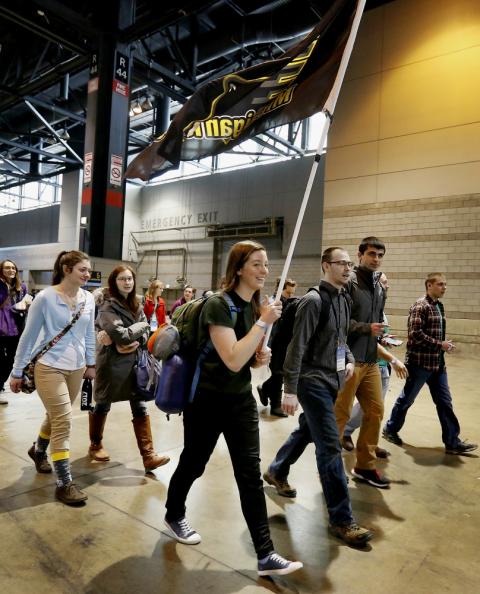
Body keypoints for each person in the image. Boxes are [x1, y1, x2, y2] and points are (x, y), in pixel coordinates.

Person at [164, 240, 303, 577]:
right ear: (238, 268)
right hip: (207, 401)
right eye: (256, 264)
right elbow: (231, 358)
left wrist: (261, 357)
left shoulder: (255, 307)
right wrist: (262, 325)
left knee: (249, 477)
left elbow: (247, 364)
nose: (264, 271)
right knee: (194, 463)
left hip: (240, 401)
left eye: (267, 264)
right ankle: (174, 513)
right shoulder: (218, 305)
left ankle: (265, 554)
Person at [264, 247, 372, 547]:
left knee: (308, 430)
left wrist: (349, 358)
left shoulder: (344, 299)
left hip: (332, 379)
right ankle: (342, 520)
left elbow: (340, 338)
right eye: (341, 263)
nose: (348, 268)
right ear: (326, 266)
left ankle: (276, 470)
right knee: (329, 447)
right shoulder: (313, 301)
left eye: (350, 264)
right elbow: (296, 348)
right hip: (312, 381)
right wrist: (290, 389)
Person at [10, 250, 96, 505]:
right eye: (82, 270)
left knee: (56, 415)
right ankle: (63, 483)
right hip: (49, 366)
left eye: (89, 270)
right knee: (63, 421)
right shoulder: (45, 298)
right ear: (66, 269)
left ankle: (38, 451)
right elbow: (27, 336)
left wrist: (91, 363)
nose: (87, 274)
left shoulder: (89, 298)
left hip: (77, 367)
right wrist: (16, 371)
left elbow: (89, 333)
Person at [383, 273, 477, 455]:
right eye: (440, 284)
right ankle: (390, 429)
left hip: (438, 365)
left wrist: (443, 347)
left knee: (445, 402)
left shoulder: (439, 306)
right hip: (420, 364)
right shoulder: (421, 306)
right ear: (429, 285)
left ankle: (452, 442)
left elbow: (432, 335)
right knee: (407, 400)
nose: (444, 288)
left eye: (445, 284)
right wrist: (439, 344)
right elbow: (415, 334)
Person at [89, 266, 170, 471]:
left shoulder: (137, 303)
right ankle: (95, 444)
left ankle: (148, 456)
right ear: (114, 282)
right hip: (111, 364)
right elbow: (122, 335)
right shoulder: (107, 305)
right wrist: (141, 327)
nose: (127, 282)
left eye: (130, 278)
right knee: (102, 404)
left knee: (139, 404)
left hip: (135, 363)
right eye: (122, 279)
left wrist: (136, 333)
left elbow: (139, 337)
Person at [334, 237, 397, 489]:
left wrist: (381, 336)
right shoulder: (349, 284)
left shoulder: (380, 285)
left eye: (380, 255)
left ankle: (365, 466)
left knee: (375, 412)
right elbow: (340, 323)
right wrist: (365, 328)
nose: (376, 259)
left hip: (370, 361)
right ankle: (328, 467)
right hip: (350, 359)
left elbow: (376, 320)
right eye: (371, 254)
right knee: (340, 415)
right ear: (360, 255)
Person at [342, 273, 406, 455]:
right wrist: (393, 359)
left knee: (375, 410)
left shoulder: (380, 309)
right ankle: (343, 436)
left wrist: (385, 339)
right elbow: (364, 337)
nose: (387, 286)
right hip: (360, 362)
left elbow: (377, 338)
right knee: (344, 409)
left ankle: (370, 445)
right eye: (384, 283)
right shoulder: (360, 306)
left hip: (379, 366)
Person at [257, 277, 297, 417]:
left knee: (280, 373)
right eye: (290, 286)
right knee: (278, 373)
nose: (293, 289)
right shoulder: (275, 302)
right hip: (276, 343)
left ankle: (265, 388)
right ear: (283, 287)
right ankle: (276, 405)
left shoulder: (291, 302)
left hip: (286, 343)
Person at [0, 259, 32, 404]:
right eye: (7, 268)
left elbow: (23, 303)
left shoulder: (21, 287)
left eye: (13, 268)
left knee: (12, 359)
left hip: (15, 328)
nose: (11, 270)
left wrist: (25, 304)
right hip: (0, 328)